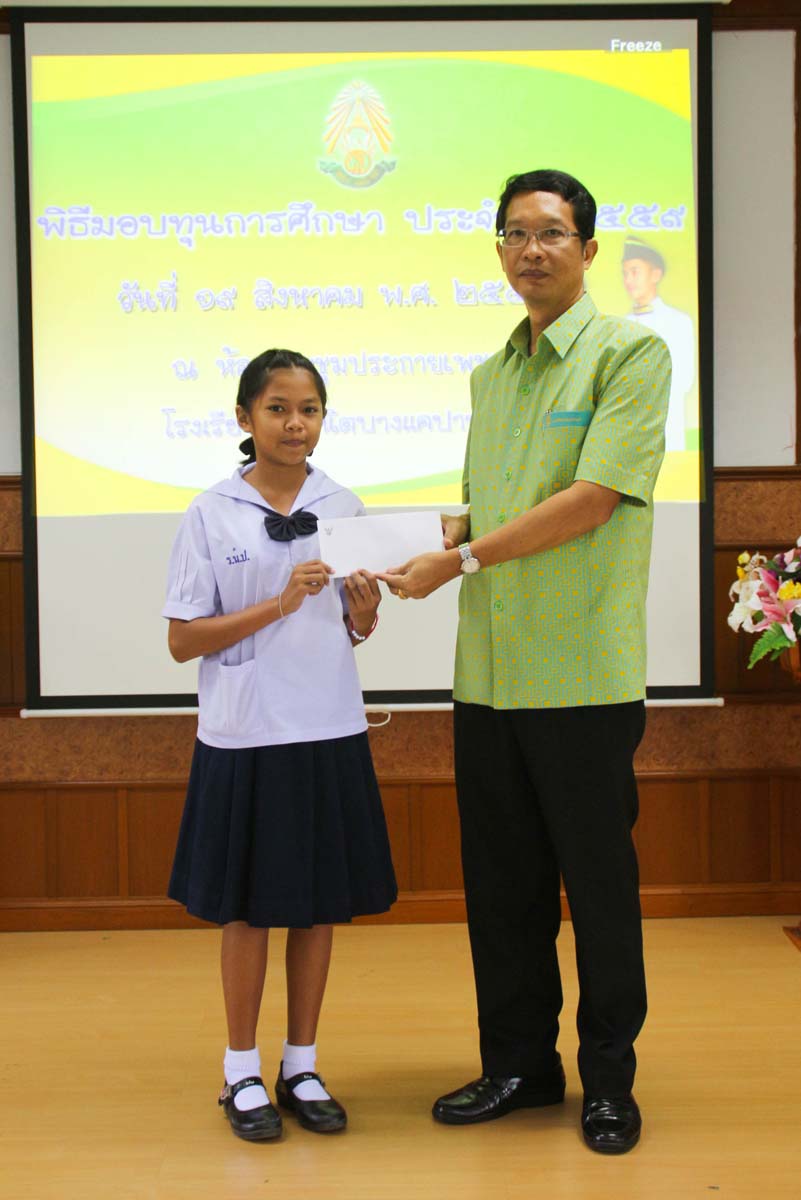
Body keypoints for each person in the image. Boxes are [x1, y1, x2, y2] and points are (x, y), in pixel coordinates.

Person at [380, 170, 670, 1155]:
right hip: (488, 675)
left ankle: (609, 1082)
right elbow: (489, 508)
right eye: (513, 233)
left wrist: (461, 559)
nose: (530, 249)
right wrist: (440, 538)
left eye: (550, 232)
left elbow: (593, 499)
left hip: (581, 673)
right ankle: (520, 1066)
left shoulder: (630, 353)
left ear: (587, 249)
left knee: (598, 891)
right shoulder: (488, 376)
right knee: (503, 892)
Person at [163, 347, 397, 1142]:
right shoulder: (210, 512)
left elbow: (353, 629)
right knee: (246, 909)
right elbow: (182, 641)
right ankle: (240, 1070)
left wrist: (362, 611)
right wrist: (277, 603)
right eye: (277, 408)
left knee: (317, 903)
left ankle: (301, 1063)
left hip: (326, 725)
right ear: (244, 417)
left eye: (309, 409)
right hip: (245, 733)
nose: (295, 424)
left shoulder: (343, 504)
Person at [622, 237, 695, 452]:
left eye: (635, 271)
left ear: (655, 274)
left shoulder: (678, 322)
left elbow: (684, 379)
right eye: (625, 273)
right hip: (626, 434)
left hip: (667, 430)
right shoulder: (620, 325)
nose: (628, 280)